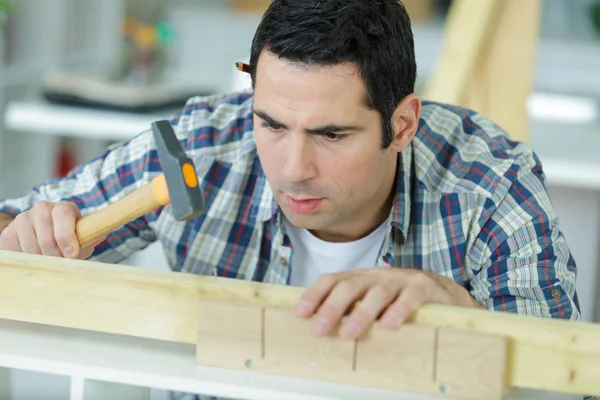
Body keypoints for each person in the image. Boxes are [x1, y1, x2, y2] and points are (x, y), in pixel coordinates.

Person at [0, 0, 579, 348]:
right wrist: (22, 234)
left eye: (331, 135)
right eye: (272, 124)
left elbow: (560, 373)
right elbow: (17, 221)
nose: (293, 169)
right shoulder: (205, 145)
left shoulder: (490, 183)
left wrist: (458, 310)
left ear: (402, 125)